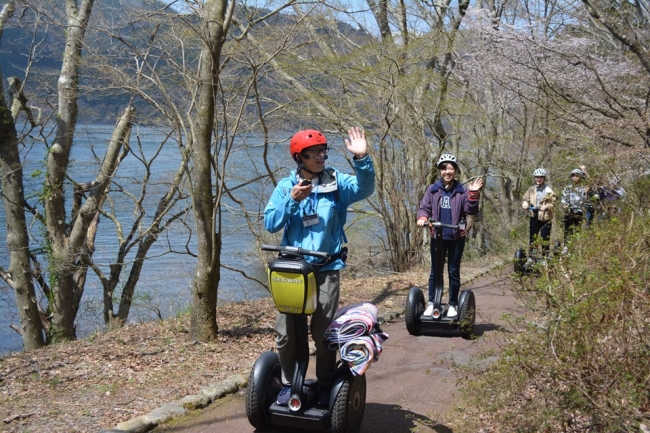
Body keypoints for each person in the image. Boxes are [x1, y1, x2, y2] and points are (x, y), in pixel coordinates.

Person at [264, 127, 375, 407]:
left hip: (326, 268)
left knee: (323, 331)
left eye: (322, 151)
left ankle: (326, 383)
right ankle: (290, 385)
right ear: (299, 157)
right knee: (287, 332)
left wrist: (362, 158)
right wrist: (292, 201)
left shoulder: (337, 183)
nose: (320, 156)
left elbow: (365, 188)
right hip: (293, 269)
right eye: (312, 153)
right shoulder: (285, 186)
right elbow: (270, 223)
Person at [416, 153, 484, 318]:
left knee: (453, 271)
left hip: (456, 238)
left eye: (451, 168)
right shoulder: (433, 190)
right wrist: (422, 218)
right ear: (440, 171)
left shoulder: (462, 191)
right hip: (437, 237)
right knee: (435, 271)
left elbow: (470, 210)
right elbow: (424, 207)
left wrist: (473, 194)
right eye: (444, 168)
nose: (448, 171)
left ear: (456, 171)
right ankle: (432, 303)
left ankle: (453, 304)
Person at [521, 168, 555, 259]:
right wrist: (525, 204)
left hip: (545, 218)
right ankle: (532, 257)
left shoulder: (548, 190)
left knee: (545, 238)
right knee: (533, 238)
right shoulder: (531, 189)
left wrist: (546, 206)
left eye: (540, 177)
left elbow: (552, 202)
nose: (538, 179)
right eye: (536, 177)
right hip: (534, 216)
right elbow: (525, 198)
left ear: (544, 178)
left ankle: (545, 256)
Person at [561, 167, 590, 250]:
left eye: (577, 175)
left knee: (577, 229)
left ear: (580, 177)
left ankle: (577, 246)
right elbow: (563, 198)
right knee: (567, 229)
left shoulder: (583, 188)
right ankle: (566, 247)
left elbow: (589, 182)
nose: (575, 177)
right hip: (569, 211)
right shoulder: (567, 188)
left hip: (579, 211)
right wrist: (565, 205)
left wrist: (585, 171)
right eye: (573, 175)